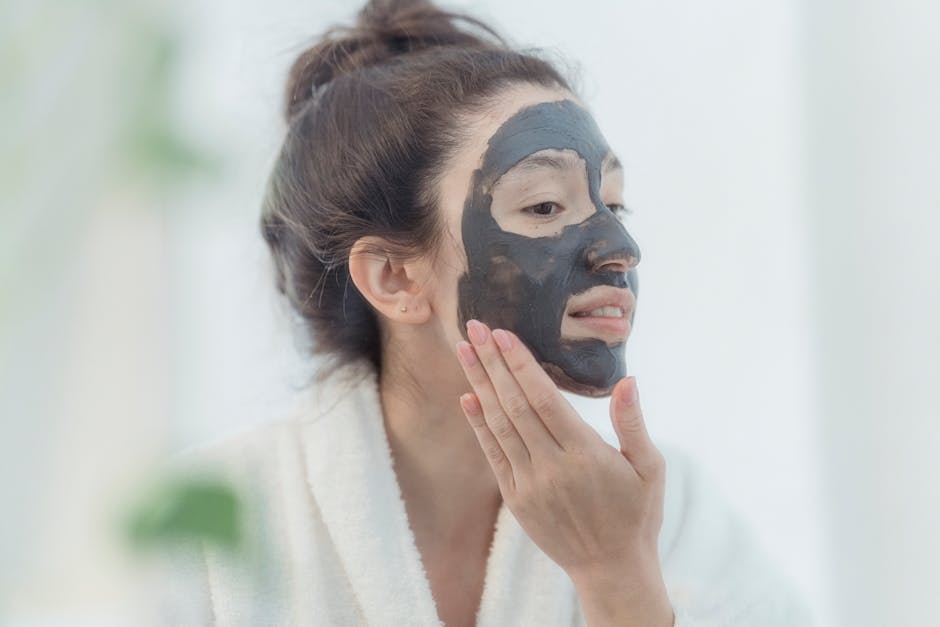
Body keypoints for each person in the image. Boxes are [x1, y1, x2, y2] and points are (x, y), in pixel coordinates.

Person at [160, 0, 818, 625]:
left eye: (613, 205)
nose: (620, 249)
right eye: (543, 207)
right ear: (394, 277)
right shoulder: (206, 532)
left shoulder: (673, 516)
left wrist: (619, 575)